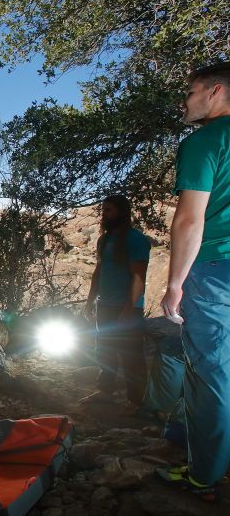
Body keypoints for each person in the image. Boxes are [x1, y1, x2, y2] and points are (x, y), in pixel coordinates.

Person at [157, 61, 230, 502]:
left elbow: (189, 221)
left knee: (211, 374)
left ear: (215, 91)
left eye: (190, 92)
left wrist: (175, 284)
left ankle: (204, 474)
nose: (184, 102)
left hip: (216, 270)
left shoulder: (206, 141)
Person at [80, 194, 151, 407]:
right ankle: (105, 392)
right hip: (105, 305)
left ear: (122, 212)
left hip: (127, 307)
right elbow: (98, 271)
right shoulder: (104, 240)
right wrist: (90, 301)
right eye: (103, 210)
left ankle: (136, 402)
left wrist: (129, 309)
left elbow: (139, 276)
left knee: (131, 355)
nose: (104, 214)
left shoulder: (136, 240)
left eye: (109, 210)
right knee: (105, 350)